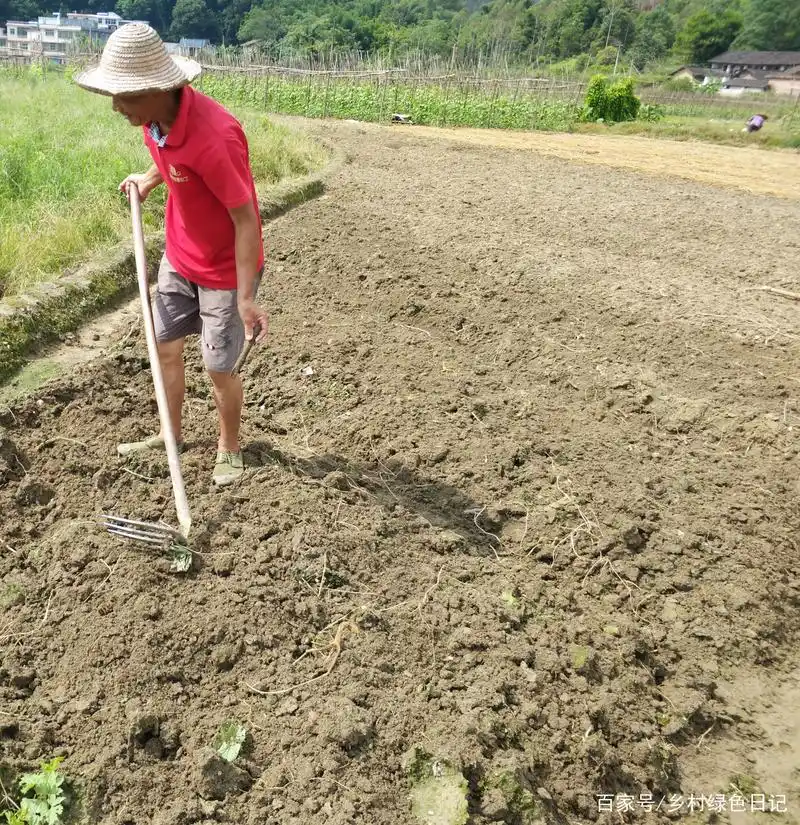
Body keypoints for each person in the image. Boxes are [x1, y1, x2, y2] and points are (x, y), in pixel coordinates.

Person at [75, 22, 268, 486]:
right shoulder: (154, 121)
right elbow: (174, 161)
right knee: (164, 349)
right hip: (179, 257)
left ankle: (229, 448)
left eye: (125, 96)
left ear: (161, 88)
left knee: (218, 367)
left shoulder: (217, 137)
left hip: (224, 270)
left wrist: (245, 297)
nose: (117, 106)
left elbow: (246, 220)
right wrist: (148, 178)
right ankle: (171, 434)